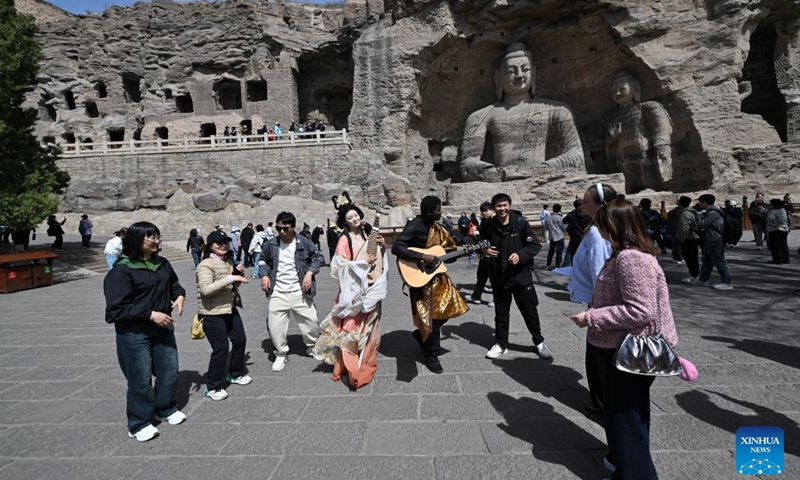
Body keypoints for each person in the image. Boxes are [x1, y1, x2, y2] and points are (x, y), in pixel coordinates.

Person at [570, 200, 678, 480]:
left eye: (603, 223)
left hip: (631, 348)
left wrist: (592, 317)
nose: (599, 229)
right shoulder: (625, 253)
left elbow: (641, 310)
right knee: (630, 415)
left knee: (624, 419)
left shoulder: (631, 257)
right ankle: (622, 462)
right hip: (625, 345)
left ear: (616, 225)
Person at [104, 221, 187, 442]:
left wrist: (179, 296)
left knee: (169, 371)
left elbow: (174, 285)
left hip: (163, 328)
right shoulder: (121, 270)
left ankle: (166, 408)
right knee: (140, 379)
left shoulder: (162, 263)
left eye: (157, 236)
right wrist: (150, 314)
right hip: (134, 332)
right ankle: (138, 422)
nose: (157, 240)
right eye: (151, 237)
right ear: (136, 240)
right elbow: (116, 308)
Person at [460, 43, 584, 182]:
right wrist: (499, 174)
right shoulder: (481, 116)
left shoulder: (558, 110)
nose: (519, 75)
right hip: (501, 182)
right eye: (511, 71)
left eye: (525, 69)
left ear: (534, 73)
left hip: (542, 180)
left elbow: (577, 157)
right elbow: (468, 164)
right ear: (498, 77)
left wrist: (541, 169)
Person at [392, 196, 470, 374]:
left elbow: (446, 250)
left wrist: (464, 246)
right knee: (430, 317)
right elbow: (397, 247)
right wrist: (422, 257)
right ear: (429, 212)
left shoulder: (437, 227)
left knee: (450, 309)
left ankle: (422, 336)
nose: (440, 213)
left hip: (439, 279)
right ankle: (431, 355)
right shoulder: (414, 225)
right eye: (438, 210)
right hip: (421, 279)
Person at [313, 204, 387, 389]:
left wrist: (382, 247)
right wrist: (361, 263)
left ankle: (366, 358)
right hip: (353, 291)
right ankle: (351, 366)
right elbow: (338, 267)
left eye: (356, 216)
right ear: (344, 222)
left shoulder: (367, 235)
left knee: (370, 326)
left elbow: (376, 258)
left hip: (371, 285)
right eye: (350, 218)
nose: (354, 219)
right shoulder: (344, 239)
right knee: (352, 327)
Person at [481, 193, 551, 360]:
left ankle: (539, 341)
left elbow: (534, 245)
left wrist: (520, 255)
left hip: (520, 277)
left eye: (505, 205)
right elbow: (481, 242)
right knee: (501, 313)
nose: (502, 209)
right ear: (493, 208)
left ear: (509, 206)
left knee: (529, 312)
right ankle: (500, 344)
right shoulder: (489, 225)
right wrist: (483, 250)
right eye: (498, 206)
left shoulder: (520, 223)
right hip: (499, 277)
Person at [568, 182, 617, 413]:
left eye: (586, 200)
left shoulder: (598, 233)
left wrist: (594, 311)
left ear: (599, 205)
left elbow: (600, 273)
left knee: (599, 355)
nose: (582, 203)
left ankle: (602, 401)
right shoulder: (600, 227)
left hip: (600, 302)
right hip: (600, 301)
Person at [258, 211, 323, 372]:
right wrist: (264, 275)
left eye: (285, 228)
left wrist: (309, 273)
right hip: (278, 292)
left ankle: (312, 346)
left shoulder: (304, 242)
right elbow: (262, 259)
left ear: (293, 227)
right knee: (275, 326)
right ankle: (281, 353)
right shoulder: (271, 244)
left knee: (311, 322)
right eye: (279, 228)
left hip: (300, 291)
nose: (281, 231)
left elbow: (318, 257)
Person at [196, 230, 251, 401]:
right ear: (210, 246)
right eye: (218, 243)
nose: (223, 245)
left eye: (225, 242)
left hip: (229, 308)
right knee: (220, 348)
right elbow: (205, 290)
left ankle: (235, 374)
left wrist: (237, 277)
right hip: (212, 313)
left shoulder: (227, 262)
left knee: (240, 340)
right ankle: (212, 386)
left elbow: (230, 289)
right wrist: (230, 278)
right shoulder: (205, 264)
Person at [605, 70, 674, 194]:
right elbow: (608, 142)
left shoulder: (648, 106)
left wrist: (661, 142)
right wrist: (612, 138)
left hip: (644, 150)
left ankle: (652, 187)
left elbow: (661, 125)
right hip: (622, 155)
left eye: (622, 88)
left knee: (646, 170)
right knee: (628, 176)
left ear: (635, 87)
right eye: (614, 91)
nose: (618, 93)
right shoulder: (612, 117)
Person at [691, 194, 733, 290]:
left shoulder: (713, 213)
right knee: (707, 261)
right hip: (710, 240)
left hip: (715, 240)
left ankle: (727, 282)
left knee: (719, 262)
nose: (699, 204)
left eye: (700, 202)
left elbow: (702, 225)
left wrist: (698, 215)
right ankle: (703, 279)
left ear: (704, 202)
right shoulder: (712, 212)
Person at [465, 202, 495, 307]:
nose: (484, 213)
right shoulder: (484, 222)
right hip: (484, 253)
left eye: (486, 211)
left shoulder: (495, 222)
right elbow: (482, 236)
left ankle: (497, 300)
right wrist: (477, 237)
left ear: (492, 210)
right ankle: (476, 296)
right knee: (481, 276)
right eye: (482, 211)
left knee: (494, 278)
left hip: (492, 253)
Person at [676, 196, 704, 284]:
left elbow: (684, 228)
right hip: (694, 237)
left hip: (689, 238)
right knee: (693, 257)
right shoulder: (692, 212)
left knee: (690, 258)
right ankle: (695, 274)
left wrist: (681, 239)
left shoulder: (685, 213)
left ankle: (694, 275)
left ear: (680, 203)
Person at [562, 198, 592, 268]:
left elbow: (564, 221)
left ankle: (574, 268)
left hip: (575, 238)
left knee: (573, 254)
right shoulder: (588, 215)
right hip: (585, 237)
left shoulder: (572, 215)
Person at [766, 198, 790, 264]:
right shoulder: (783, 210)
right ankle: (785, 259)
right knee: (783, 245)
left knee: (775, 246)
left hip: (775, 230)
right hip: (784, 229)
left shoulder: (773, 211)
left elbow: (770, 219)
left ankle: (777, 259)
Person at [543, 203, 566, 269]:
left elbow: (545, 228)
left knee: (551, 252)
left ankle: (548, 264)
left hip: (552, 237)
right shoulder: (560, 218)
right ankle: (557, 265)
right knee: (559, 253)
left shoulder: (548, 218)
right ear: (559, 210)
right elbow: (563, 227)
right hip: (560, 236)